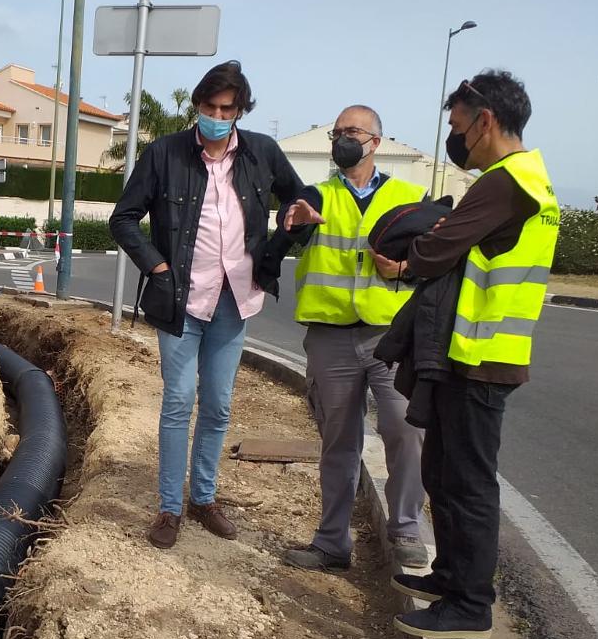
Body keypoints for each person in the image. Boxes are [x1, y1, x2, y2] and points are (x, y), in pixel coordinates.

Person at [386, 70, 558, 639]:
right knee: (443, 470)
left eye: (459, 126)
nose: (456, 139)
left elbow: (437, 247)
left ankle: (469, 604)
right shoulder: (528, 180)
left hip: (483, 358)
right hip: (473, 354)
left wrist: (415, 249)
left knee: (468, 481)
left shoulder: (506, 182)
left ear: (486, 121)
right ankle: (450, 576)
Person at [109, 61, 304, 549]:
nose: (218, 115)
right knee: (178, 402)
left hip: (235, 300)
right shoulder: (164, 154)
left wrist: (288, 233)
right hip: (179, 300)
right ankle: (170, 508)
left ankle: (203, 497)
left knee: (217, 405)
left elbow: (300, 201)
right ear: (197, 105)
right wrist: (156, 266)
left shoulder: (262, 153)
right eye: (210, 106)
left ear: (240, 110)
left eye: (228, 108)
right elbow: (124, 219)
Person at [275, 105, 429, 573]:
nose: (343, 139)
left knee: (406, 430)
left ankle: (405, 530)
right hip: (330, 337)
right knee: (338, 443)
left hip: (392, 337)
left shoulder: (411, 196)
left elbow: (434, 259)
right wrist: (292, 222)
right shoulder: (313, 195)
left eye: (352, 132)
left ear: (375, 142)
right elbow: (285, 235)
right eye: (337, 133)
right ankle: (331, 544)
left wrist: (405, 269)